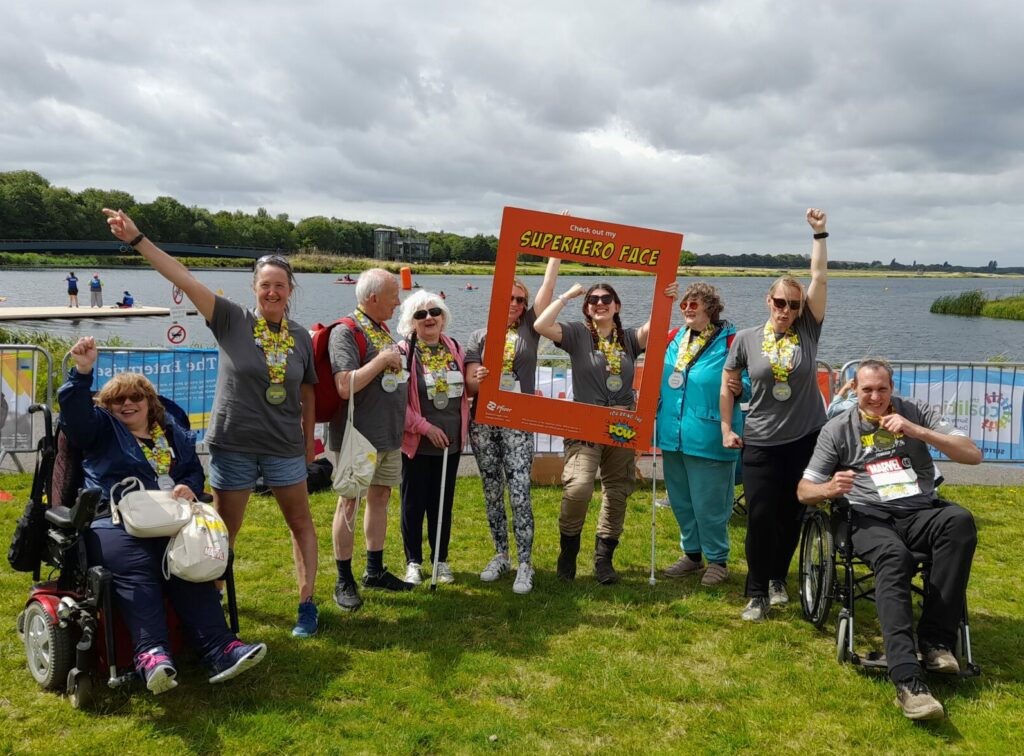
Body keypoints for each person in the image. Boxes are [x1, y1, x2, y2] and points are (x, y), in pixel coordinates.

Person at [102, 209, 321, 638]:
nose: (272, 292)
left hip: (284, 448)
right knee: (223, 530)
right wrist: (137, 239)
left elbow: (308, 391)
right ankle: (213, 599)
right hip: (234, 445)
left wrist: (308, 439)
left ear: (290, 290)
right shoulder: (231, 319)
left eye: (280, 285)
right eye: (265, 285)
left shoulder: (299, 336)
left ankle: (307, 603)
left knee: (300, 524)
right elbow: (184, 278)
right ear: (255, 289)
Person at [59, 336, 266, 695]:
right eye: (117, 399)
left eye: (135, 397)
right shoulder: (100, 431)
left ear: (148, 402)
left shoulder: (172, 435)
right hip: (113, 519)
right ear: (106, 407)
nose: (127, 403)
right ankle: (150, 655)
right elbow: (75, 416)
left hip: (170, 517)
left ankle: (221, 649)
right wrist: (82, 372)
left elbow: (193, 473)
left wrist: (187, 485)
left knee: (188, 555)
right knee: (138, 561)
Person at [797, 359, 982, 720]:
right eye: (867, 389)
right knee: (894, 557)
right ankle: (908, 683)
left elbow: (972, 455)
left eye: (882, 389)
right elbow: (804, 490)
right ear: (854, 389)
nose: (875, 396)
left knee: (959, 521)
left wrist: (918, 431)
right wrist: (828, 488)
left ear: (892, 387)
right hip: (868, 516)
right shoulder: (838, 429)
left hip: (918, 510)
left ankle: (935, 642)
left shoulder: (916, 412)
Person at [721, 208, 830, 621]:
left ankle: (778, 580)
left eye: (793, 304)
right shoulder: (747, 339)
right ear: (768, 301)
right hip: (762, 441)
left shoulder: (807, 331)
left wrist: (819, 234)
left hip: (806, 440)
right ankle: (756, 592)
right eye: (780, 302)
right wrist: (728, 427)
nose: (786, 310)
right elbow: (727, 385)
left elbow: (818, 278)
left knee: (792, 515)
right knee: (761, 517)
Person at [535, 279, 677, 584]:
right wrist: (568, 295)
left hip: (622, 424)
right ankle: (568, 552)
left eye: (606, 298)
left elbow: (657, 324)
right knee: (579, 487)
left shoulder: (629, 339)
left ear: (617, 306)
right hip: (585, 422)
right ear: (587, 308)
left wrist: (666, 297)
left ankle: (603, 559)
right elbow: (540, 324)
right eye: (593, 299)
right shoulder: (576, 334)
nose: (599, 303)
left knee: (618, 490)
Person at [464, 258, 560, 594]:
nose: (516, 304)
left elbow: (547, 290)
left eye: (521, 299)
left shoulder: (530, 328)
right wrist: (476, 378)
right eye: (510, 298)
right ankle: (500, 554)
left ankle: (525, 564)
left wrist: (555, 254)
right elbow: (470, 385)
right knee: (492, 492)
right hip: (484, 423)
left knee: (519, 494)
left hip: (517, 422)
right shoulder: (479, 335)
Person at [329, 268, 414, 612]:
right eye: (394, 296)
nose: (399, 302)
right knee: (349, 505)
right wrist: (381, 361)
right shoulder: (345, 332)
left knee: (380, 498)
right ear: (373, 298)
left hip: (388, 435)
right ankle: (343, 578)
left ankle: (374, 570)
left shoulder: (379, 329)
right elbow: (343, 385)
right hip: (357, 438)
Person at [656, 282, 747, 586]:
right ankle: (692, 555)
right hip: (673, 435)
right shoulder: (673, 337)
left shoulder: (732, 341)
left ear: (711, 307)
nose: (688, 310)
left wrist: (742, 386)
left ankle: (718, 559)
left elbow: (751, 377)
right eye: (684, 305)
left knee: (710, 505)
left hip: (710, 436)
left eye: (694, 304)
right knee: (681, 501)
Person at [395, 292, 469, 585]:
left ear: (443, 316)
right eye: (420, 314)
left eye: (434, 312)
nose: (429, 318)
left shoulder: (455, 348)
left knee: (443, 504)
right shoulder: (402, 352)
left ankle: (441, 560)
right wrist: (425, 428)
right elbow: (397, 403)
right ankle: (413, 561)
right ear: (410, 322)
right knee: (413, 504)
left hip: (450, 442)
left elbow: (467, 389)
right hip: (417, 445)